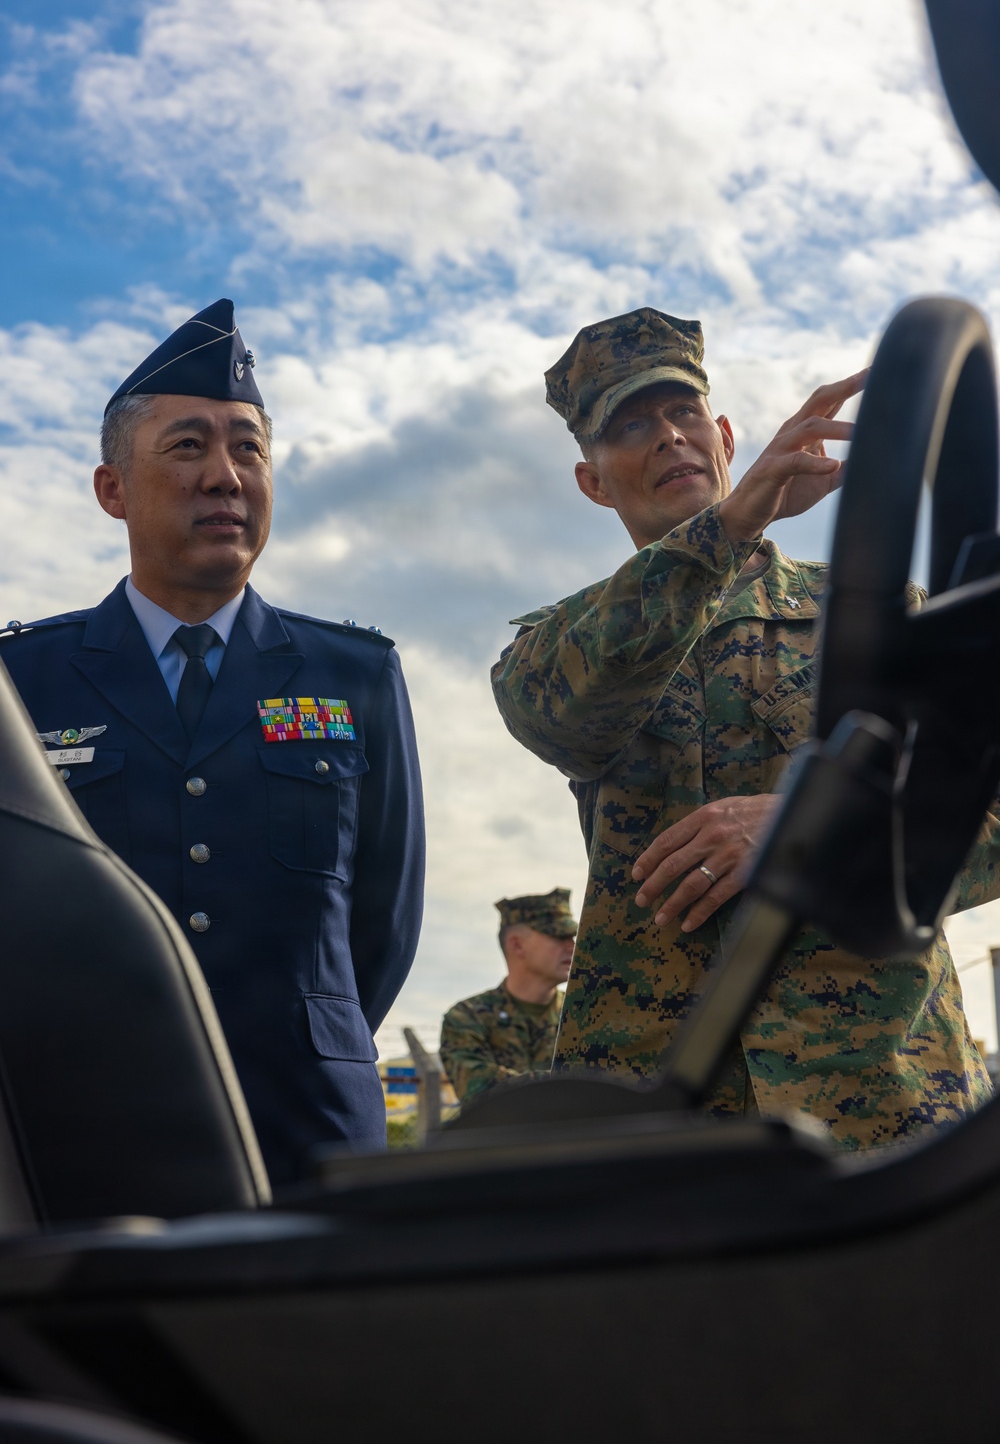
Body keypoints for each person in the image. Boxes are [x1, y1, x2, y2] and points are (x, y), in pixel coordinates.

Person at [491, 306, 997, 1149]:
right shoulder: (562, 645)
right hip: (667, 1127)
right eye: (631, 424)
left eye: (685, 412)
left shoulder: (883, 616)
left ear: (725, 434)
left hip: (886, 1105)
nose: (668, 436)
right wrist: (728, 529)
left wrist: (821, 826)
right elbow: (561, 717)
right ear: (593, 480)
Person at [0, 299, 424, 1187]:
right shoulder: (22, 684)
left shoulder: (356, 674)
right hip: (87, 1127)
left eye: (248, 448)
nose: (226, 475)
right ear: (113, 488)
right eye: (188, 445)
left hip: (309, 1131)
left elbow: (382, 922)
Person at [439, 888, 577, 1105]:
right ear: (517, 944)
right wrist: (573, 1085)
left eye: (572, 937)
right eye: (559, 936)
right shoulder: (468, 1017)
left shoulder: (581, 1014)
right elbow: (481, 1092)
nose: (572, 946)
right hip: (499, 1139)